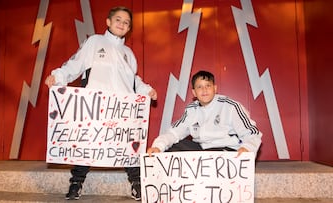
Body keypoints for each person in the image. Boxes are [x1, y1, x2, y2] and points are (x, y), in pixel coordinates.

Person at [45, 6, 157, 201]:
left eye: (127, 23)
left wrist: (146, 90)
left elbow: (133, 80)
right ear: (108, 22)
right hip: (95, 107)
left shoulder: (129, 53)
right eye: (119, 20)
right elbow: (75, 64)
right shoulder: (95, 42)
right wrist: (58, 76)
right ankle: (76, 183)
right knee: (88, 145)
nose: (122, 24)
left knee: (129, 146)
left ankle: (137, 184)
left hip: (122, 109)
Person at [147, 70, 261, 158]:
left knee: (213, 159)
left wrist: (247, 148)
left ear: (215, 88)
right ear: (194, 92)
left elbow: (252, 133)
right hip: (202, 150)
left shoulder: (230, 106)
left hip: (226, 151)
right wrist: (158, 146)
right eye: (199, 87)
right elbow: (174, 133)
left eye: (208, 86)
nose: (204, 90)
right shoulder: (191, 110)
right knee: (173, 149)